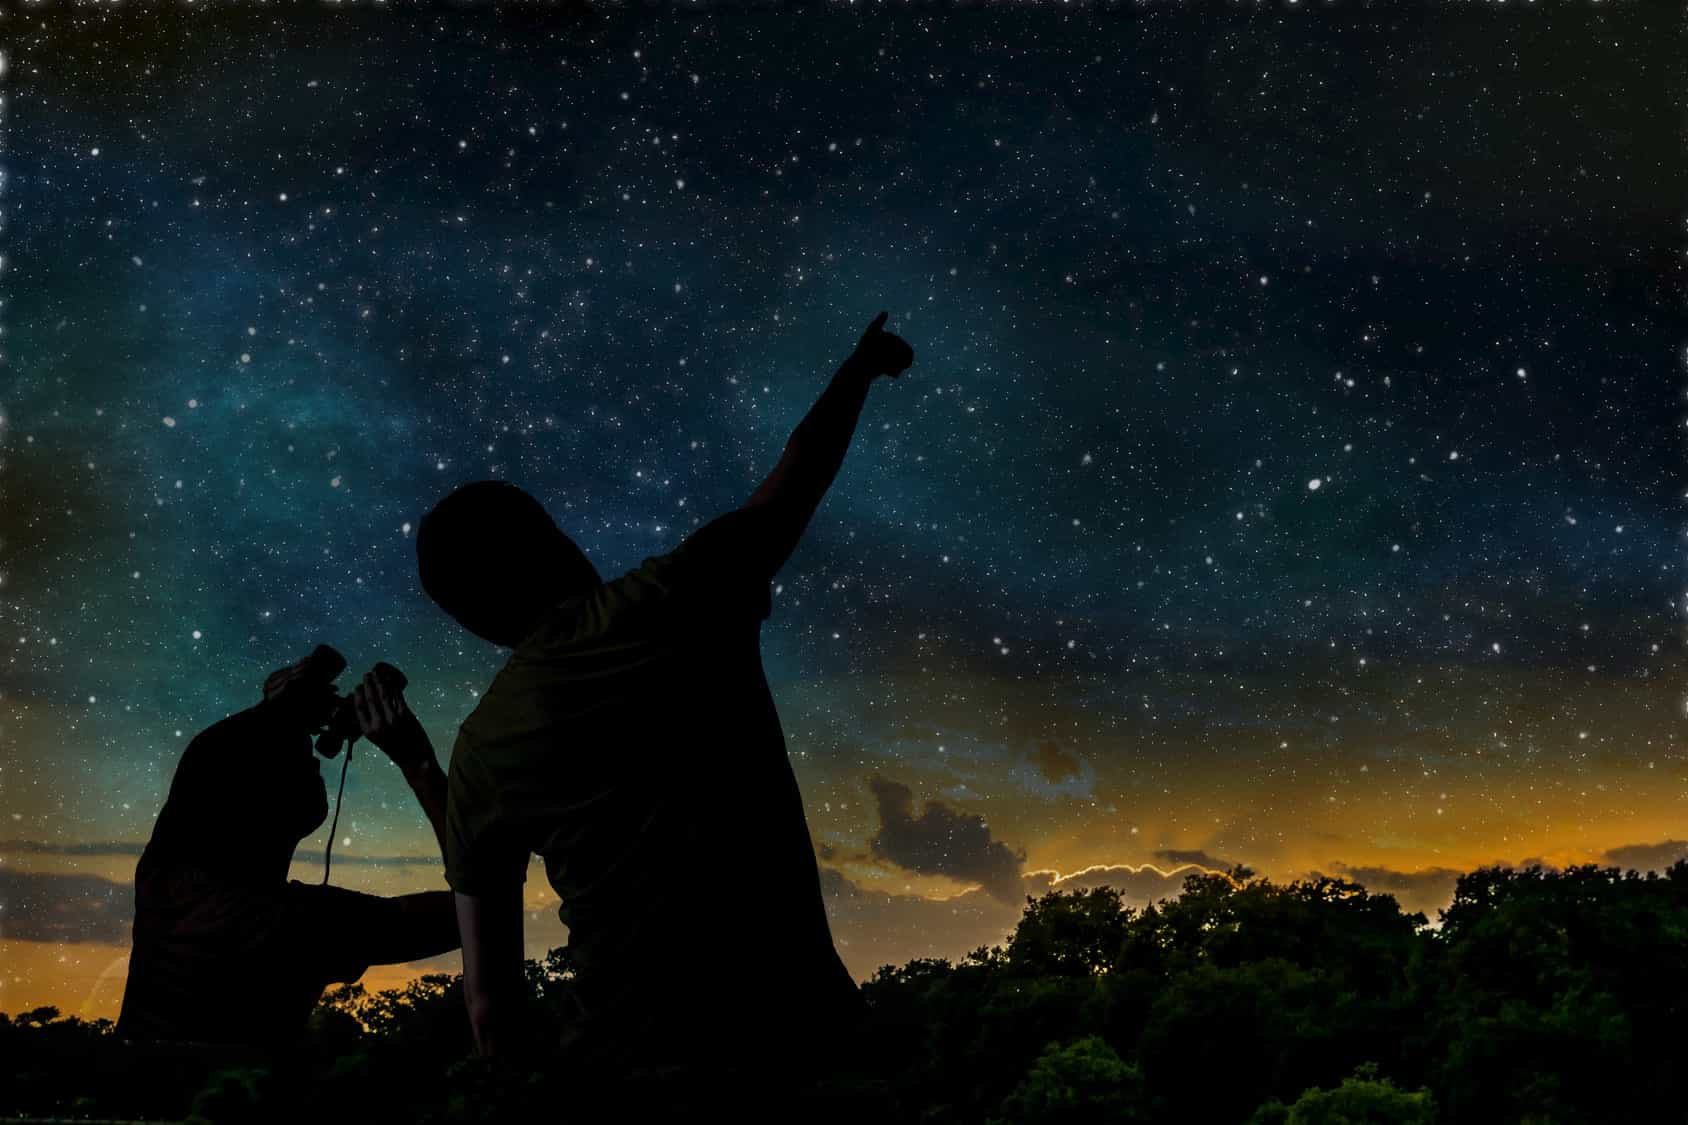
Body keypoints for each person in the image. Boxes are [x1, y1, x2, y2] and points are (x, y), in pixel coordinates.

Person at [417, 311, 914, 1096]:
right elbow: (797, 478)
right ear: (559, 544)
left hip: (616, 1075)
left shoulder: (480, 747)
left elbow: (489, 1007)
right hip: (801, 1045)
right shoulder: (683, 596)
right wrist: (857, 372)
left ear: (476, 623)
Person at [116, 647, 462, 1047]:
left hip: (142, 1093)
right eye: (301, 753)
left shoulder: (163, 883)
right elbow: (481, 907)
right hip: (240, 1102)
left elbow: (206, 766)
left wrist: (273, 711)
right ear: (276, 802)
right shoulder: (296, 924)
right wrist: (418, 764)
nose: (312, 755)